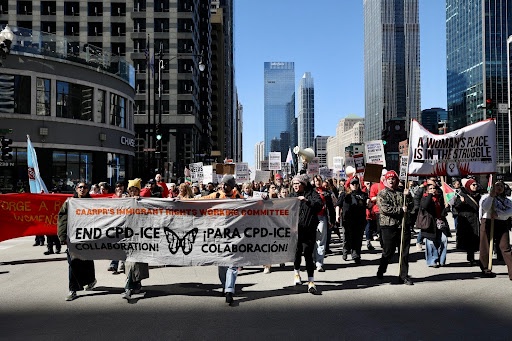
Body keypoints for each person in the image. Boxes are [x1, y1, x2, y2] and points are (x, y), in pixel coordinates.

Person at [200, 175, 242, 304]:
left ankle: (229, 290)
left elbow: (254, 205)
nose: (224, 186)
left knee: (232, 264)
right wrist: (180, 200)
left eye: (227, 184)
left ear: (232, 186)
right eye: (222, 184)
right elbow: (199, 201)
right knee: (222, 264)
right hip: (218, 235)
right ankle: (225, 286)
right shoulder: (216, 196)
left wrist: (264, 199)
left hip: (234, 236)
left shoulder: (238, 198)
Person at [57, 182, 97, 301]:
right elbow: (62, 219)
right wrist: (62, 236)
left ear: (88, 189)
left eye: (84, 187)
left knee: (87, 261)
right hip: (73, 237)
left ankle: (90, 280)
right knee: (73, 263)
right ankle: (73, 289)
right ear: (76, 189)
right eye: (80, 187)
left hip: (88, 237)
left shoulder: (93, 203)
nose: (82, 189)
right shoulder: (70, 203)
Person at [376, 170, 414, 285]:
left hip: (402, 225)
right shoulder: (382, 193)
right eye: (389, 179)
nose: (391, 181)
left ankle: (403, 276)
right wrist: (400, 210)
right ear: (386, 181)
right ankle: (382, 269)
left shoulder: (402, 192)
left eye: (393, 179)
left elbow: (410, 205)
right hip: (388, 226)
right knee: (388, 251)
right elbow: (385, 208)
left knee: (404, 252)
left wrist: (408, 196)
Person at [290, 174, 323, 294]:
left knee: (308, 254)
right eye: (294, 184)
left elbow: (319, 205)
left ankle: (311, 281)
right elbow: (280, 204)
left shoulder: (312, 194)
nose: (295, 186)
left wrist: (307, 201)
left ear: (303, 185)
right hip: (295, 231)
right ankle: (296, 273)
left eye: (297, 184)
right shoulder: (291, 196)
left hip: (309, 229)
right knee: (297, 252)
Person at [122, 178, 150, 299]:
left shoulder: (144, 201)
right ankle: (129, 286)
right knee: (129, 262)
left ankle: (136, 284)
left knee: (137, 262)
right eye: (131, 190)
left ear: (139, 191)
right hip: (127, 236)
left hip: (141, 235)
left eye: (135, 190)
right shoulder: (124, 201)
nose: (132, 192)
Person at [478, 180, 512, 279]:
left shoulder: (507, 200)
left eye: (501, 186)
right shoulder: (485, 197)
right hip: (487, 222)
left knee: (505, 247)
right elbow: (485, 207)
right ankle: (485, 269)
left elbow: (510, 211)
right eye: (497, 185)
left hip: (501, 223)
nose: (499, 187)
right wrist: (491, 197)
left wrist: (499, 214)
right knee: (485, 246)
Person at [336, 177, 368, 264]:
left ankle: (356, 255)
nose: (355, 185)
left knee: (358, 238)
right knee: (347, 237)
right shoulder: (345, 194)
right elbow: (338, 205)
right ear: (349, 185)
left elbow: (368, 205)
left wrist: (369, 203)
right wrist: (337, 215)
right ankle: (345, 250)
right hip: (347, 219)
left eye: (356, 184)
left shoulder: (363, 194)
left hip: (359, 220)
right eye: (353, 184)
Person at [420, 184, 451, 268]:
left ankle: (442, 260)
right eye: (430, 188)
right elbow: (425, 206)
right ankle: (432, 260)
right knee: (431, 243)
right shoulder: (425, 198)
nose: (433, 190)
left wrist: (446, 208)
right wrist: (430, 195)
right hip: (430, 223)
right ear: (427, 190)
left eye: (434, 188)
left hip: (440, 222)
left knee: (443, 240)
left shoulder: (440, 198)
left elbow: (443, 212)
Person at [452, 179, 481, 266]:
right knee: (469, 239)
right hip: (466, 221)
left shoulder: (478, 195)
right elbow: (456, 207)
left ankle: (473, 257)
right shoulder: (462, 195)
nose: (475, 186)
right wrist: (461, 202)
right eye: (473, 185)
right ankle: (471, 258)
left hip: (475, 219)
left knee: (475, 239)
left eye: (476, 185)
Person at [312, 175, 336, 271]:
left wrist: (332, 220)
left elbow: (331, 207)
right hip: (312, 218)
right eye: (316, 180)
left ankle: (319, 263)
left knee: (321, 240)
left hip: (322, 217)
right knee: (313, 240)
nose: (318, 182)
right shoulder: (311, 192)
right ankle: (314, 259)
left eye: (319, 180)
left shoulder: (326, 193)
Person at [108, 181, 128, 273]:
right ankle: (114, 264)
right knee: (115, 244)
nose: (119, 188)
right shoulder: (112, 197)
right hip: (114, 224)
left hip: (125, 224)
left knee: (124, 244)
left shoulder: (127, 196)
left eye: (121, 186)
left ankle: (123, 264)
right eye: (117, 187)